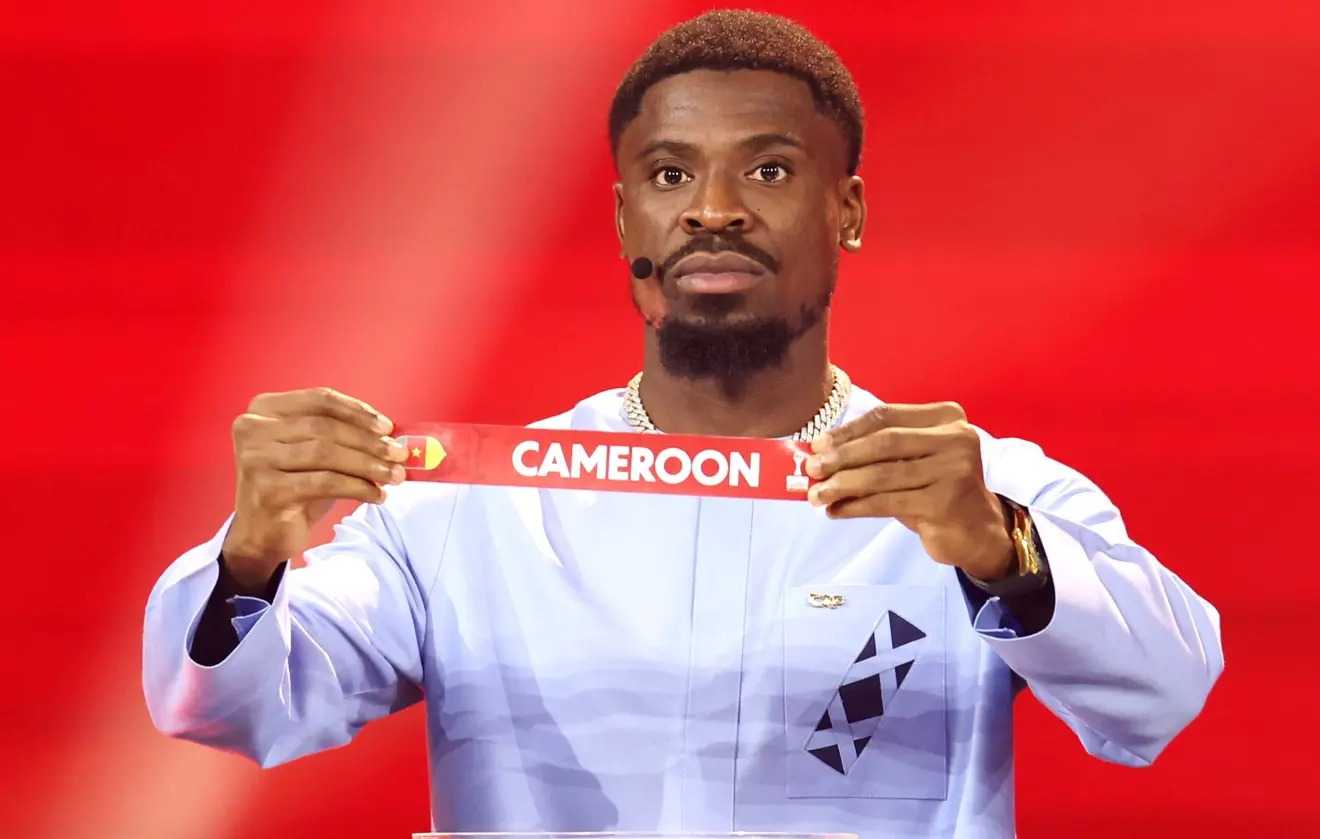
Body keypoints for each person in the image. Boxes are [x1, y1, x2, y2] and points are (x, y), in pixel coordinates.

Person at [143, 10, 1223, 836]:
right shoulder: (466, 508)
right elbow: (235, 708)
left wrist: (997, 548)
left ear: (847, 210)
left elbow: (1165, 695)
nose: (713, 208)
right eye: (670, 174)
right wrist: (251, 556)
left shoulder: (976, 492)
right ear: (628, 218)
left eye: (769, 169)